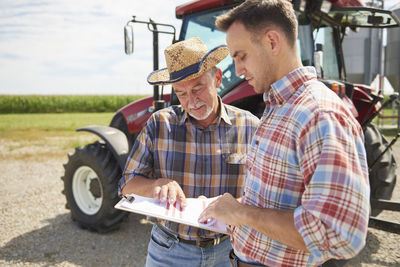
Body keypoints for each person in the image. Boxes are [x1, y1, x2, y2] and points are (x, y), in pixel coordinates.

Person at [199, 1, 370, 266]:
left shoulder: (318, 114)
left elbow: (339, 233)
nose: (239, 70)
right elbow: (281, 195)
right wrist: (236, 208)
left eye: (241, 56)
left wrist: (241, 213)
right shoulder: (278, 106)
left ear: (272, 42)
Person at [118, 37, 260, 267]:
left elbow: (268, 192)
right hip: (169, 249)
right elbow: (126, 184)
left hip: (230, 249)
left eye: (198, 88)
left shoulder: (251, 127)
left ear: (218, 79)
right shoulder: (159, 124)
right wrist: (156, 185)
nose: (191, 101)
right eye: (181, 93)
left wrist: (236, 206)